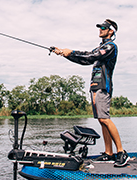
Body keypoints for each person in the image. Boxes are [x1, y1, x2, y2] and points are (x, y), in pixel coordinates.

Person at [53, 19, 130, 167]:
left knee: (105, 119)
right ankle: (109, 153)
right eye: (100, 27)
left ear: (111, 31)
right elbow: (86, 57)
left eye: (103, 28)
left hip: (103, 87)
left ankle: (121, 152)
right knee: (101, 120)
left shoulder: (110, 47)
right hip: (95, 86)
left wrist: (71, 52)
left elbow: (91, 57)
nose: (100, 29)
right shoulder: (100, 47)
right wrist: (65, 53)